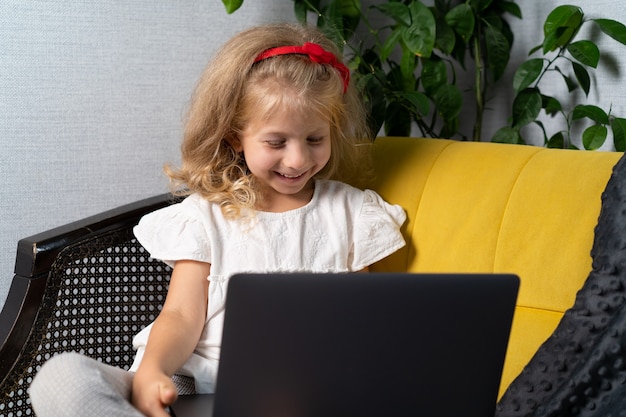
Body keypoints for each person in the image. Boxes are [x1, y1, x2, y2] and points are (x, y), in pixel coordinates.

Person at [29, 22, 406, 417]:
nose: (297, 159)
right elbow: (181, 315)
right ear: (233, 137)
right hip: (192, 387)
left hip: (302, 393)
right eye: (276, 142)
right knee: (60, 376)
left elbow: (363, 320)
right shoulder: (207, 216)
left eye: (315, 139)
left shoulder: (350, 213)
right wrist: (153, 371)